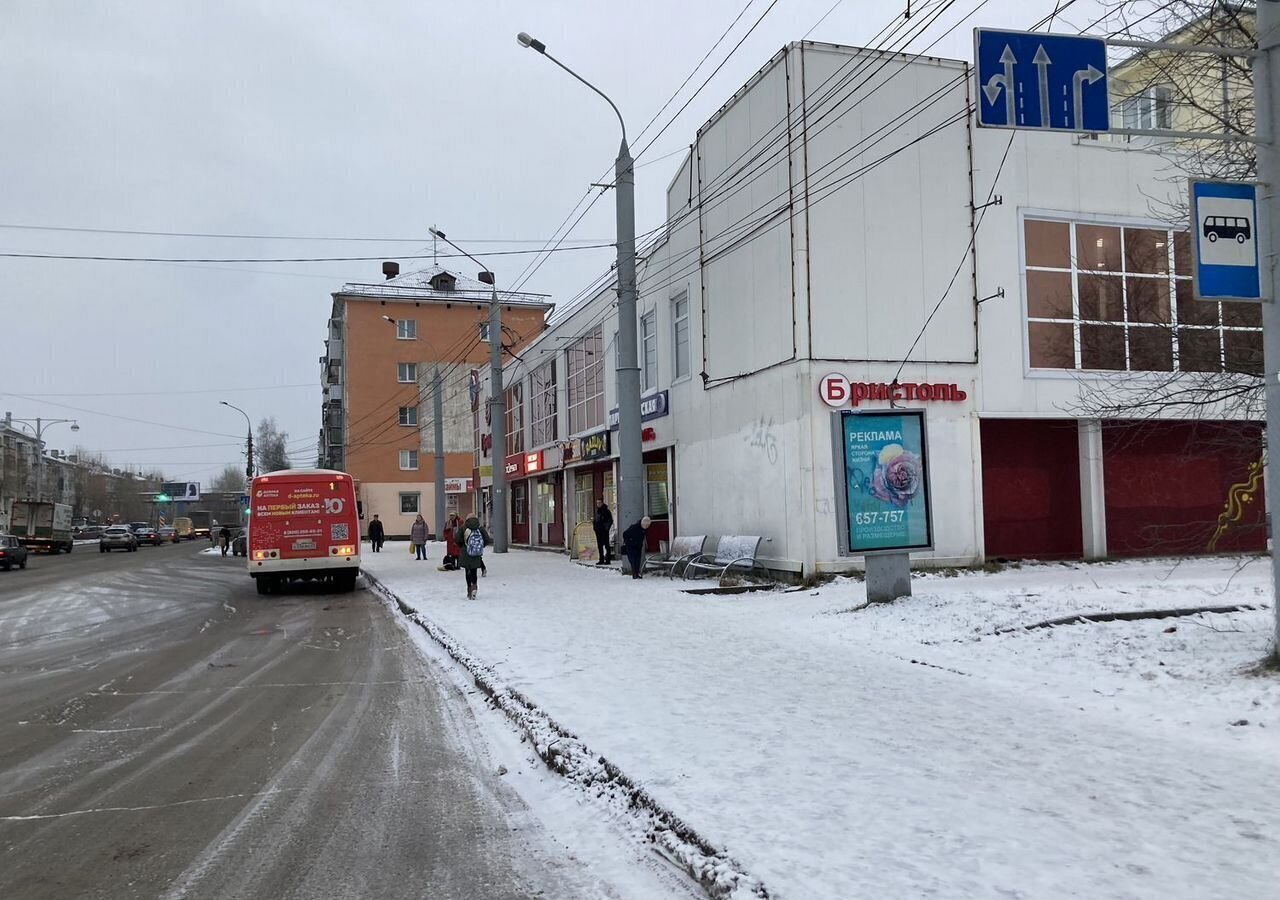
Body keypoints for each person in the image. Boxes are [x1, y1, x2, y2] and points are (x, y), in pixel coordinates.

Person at [453, 515, 492, 600]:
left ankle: (469, 589)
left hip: (465, 552)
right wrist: (480, 546)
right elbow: (487, 539)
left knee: (468, 571)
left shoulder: (463, 528)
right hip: (476, 553)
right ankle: (474, 587)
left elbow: (457, 539)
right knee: (474, 571)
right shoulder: (480, 528)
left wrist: (462, 546)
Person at [592, 500, 614, 565]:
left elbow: (610, 520)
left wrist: (606, 528)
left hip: (604, 531)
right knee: (600, 545)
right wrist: (595, 527)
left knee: (607, 545)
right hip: (598, 531)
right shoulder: (597, 511)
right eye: (597, 503)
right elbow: (595, 520)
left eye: (599, 503)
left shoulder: (606, 511)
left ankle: (608, 559)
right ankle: (601, 559)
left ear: (602, 503)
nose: (598, 504)